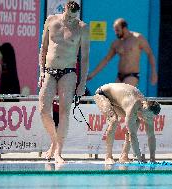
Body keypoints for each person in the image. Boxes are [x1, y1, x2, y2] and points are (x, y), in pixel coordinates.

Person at [38, 1, 90, 163]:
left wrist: (82, 84)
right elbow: (44, 48)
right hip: (49, 71)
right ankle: (54, 142)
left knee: (64, 112)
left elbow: (85, 58)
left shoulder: (82, 28)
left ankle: (58, 152)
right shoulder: (51, 20)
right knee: (43, 110)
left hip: (68, 73)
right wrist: (41, 71)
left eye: (74, 18)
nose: (71, 20)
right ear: (64, 9)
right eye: (68, 17)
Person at [93, 83, 160, 164]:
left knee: (136, 122)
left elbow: (151, 136)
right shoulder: (132, 106)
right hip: (102, 94)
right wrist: (140, 159)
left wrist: (152, 158)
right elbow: (133, 136)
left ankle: (124, 156)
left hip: (118, 99)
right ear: (144, 107)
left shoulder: (147, 111)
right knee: (113, 120)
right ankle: (108, 157)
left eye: (150, 117)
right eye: (147, 116)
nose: (148, 119)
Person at [87, 18, 157, 87]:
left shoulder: (138, 38)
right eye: (115, 30)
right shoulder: (116, 43)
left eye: (117, 30)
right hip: (120, 76)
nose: (116, 33)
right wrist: (92, 74)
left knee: (123, 92)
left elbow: (150, 54)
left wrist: (153, 72)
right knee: (114, 96)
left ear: (124, 28)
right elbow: (106, 59)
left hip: (132, 75)